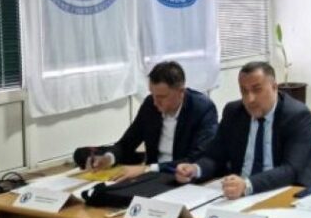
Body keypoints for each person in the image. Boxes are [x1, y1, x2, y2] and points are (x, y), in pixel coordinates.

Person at [175, 61, 311, 198]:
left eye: (257, 90)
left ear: (274, 87)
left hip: (289, 190)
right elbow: (215, 156)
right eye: (244, 91)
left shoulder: (296, 115)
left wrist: (247, 185)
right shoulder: (233, 112)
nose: (250, 99)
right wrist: (195, 169)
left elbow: (291, 170)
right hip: (241, 194)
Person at [86, 61, 218, 181]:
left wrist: (147, 169)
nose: (155, 102)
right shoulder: (150, 105)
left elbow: (195, 159)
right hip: (152, 176)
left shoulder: (202, 109)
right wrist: (108, 158)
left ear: (181, 92)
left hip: (181, 177)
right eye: (152, 94)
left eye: (161, 97)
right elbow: (127, 143)